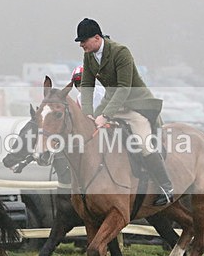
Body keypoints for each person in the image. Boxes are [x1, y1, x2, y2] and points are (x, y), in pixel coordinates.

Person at [74, 18, 173, 206]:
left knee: (144, 144)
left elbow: (123, 88)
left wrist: (105, 115)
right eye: (80, 42)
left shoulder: (121, 52)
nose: (81, 45)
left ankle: (166, 187)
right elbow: (87, 85)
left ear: (97, 38)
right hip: (112, 103)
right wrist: (87, 113)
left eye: (84, 41)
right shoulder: (89, 55)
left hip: (135, 105)